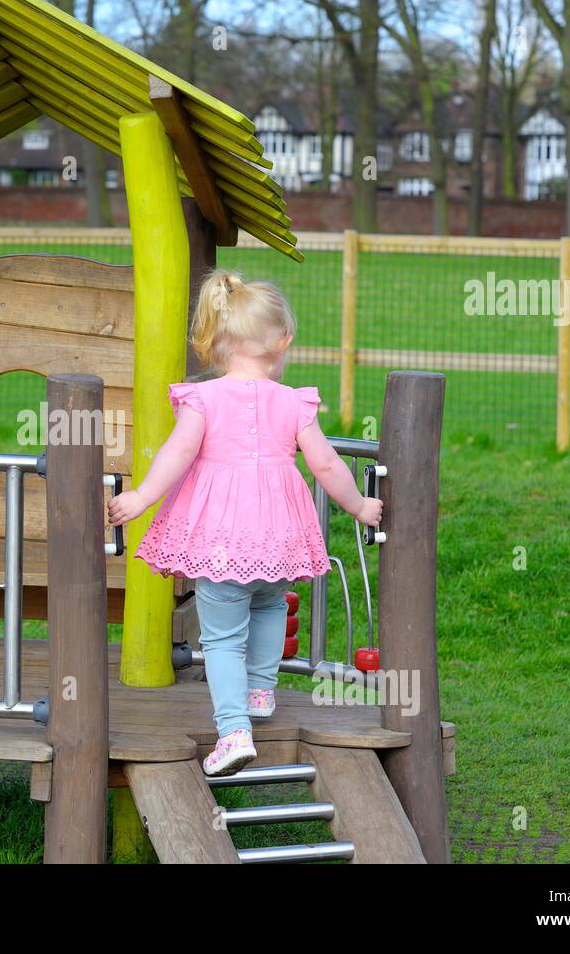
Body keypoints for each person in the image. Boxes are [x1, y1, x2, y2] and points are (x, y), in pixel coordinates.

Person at [108, 270, 382, 776]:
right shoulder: (294, 402)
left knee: (221, 637)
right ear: (282, 341)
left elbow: (179, 452)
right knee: (271, 603)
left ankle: (234, 729)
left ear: (216, 340)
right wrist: (360, 506)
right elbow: (325, 465)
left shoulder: (203, 399)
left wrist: (143, 495)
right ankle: (260, 691)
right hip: (277, 540)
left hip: (221, 540)